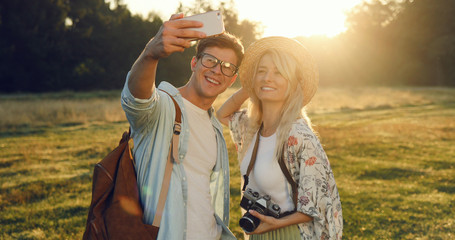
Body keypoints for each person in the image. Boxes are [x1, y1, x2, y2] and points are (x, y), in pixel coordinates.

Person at [121, 13, 244, 240]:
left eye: (227, 67)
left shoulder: (214, 126)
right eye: (210, 60)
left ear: (232, 78)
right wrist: (150, 54)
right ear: (194, 62)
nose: (218, 70)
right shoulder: (163, 108)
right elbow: (136, 99)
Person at [217, 36, 343, 239]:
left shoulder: (300, 137)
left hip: (288, 233)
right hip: (259, 233)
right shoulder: (252, 129)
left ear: (293, 84)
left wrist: (276, 223)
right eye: (262, 71)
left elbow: (317, 204)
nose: (268, 78)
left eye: (278, 72)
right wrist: (251, 85)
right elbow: (222, 113)